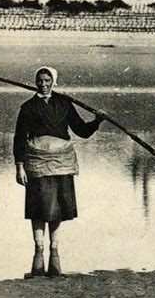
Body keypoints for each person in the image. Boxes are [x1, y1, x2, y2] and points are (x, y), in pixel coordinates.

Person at [13, 66, 106, 277]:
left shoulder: (64, 103)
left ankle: (54, 247)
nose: (43, 84)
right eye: (40, 80)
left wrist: (97, 122)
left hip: (61, 162)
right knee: (38, 208)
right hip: (36, 164)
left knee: (57, 207)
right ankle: (39, 249)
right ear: (36, 82)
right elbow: (19, 138)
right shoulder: (27, 108)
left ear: (53, 81)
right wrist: (19, 166)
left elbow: (81, 130)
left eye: (47, 80)